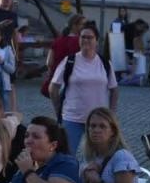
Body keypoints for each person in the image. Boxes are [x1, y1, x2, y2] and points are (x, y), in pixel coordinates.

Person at [50, 22, 118, 154]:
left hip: (99, 120)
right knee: (67, 155)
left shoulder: (104, 63)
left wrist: (112, 113)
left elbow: (114, 89)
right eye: (83, 37)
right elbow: (53, 88)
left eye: (90, 37)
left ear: (97, 41)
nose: (86, 40)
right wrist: (58, 109)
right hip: (72, 118)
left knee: (99, 156)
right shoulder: (69, 61)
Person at [80, 107, 141, 183]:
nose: (96, 130)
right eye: (92, 126)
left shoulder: (122, 157)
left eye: (102, 126)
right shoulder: (91, 155)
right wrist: (86, 175)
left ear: (112, 131)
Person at [42, 13, 85, 111]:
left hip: (57, 79)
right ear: (74, 25)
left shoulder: (58, 40)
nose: (84, 27)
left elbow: (49, 62)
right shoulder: (79, 42)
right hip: (74, 79)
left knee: (58, 108)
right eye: (82, 24)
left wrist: (51, 72)